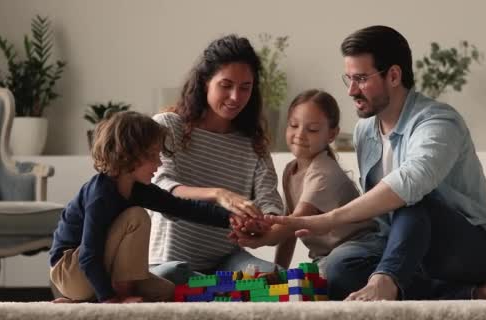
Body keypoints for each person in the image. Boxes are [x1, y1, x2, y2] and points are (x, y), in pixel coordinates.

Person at [265, 25, 486, 301]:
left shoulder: (438, 121)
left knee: (411, 199)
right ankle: (471, 294)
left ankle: (386, 280)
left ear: (393, 75)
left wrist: (330, 219)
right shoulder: (365, 131)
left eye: (362, 79)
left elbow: (408, 184)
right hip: (405, 250)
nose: (352, 90)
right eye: (349, 79)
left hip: (476, 253)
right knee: (337, 269)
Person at [49, 111, 255, 303]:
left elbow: (184, 208)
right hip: (71, 271)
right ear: (128, 154)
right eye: (152, 155)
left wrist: (231, 218)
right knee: (136, 216)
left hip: (98, 268)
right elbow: (88, 256)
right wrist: (112, 301)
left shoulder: (138, 189)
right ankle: (110, 296)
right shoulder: (100, 195)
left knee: (166, 292)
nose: (158, 163)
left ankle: (88, 301)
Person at [148, 34, 283, 284]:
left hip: (226, 260)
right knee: (177, 277)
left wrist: (264, 228)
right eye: (226, 85)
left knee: (276, 278)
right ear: (204, 82)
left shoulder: (253, 143)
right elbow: (160, 188)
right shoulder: (169, 126)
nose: (235, 97)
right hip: (170, 262)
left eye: (245, 87)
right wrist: (219, 194)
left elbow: (271, 204)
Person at [230, 89, 384, 298]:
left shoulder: (324, 171)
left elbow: (297, 220)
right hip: (326, 256)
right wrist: (278, 272)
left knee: (335, 267)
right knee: (311, 278)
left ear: (331, 134)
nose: (300, 134)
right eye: (294, 125)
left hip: (361, 247)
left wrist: (262, 239)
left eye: (312, 129)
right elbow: (290, 229)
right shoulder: (290, 171)